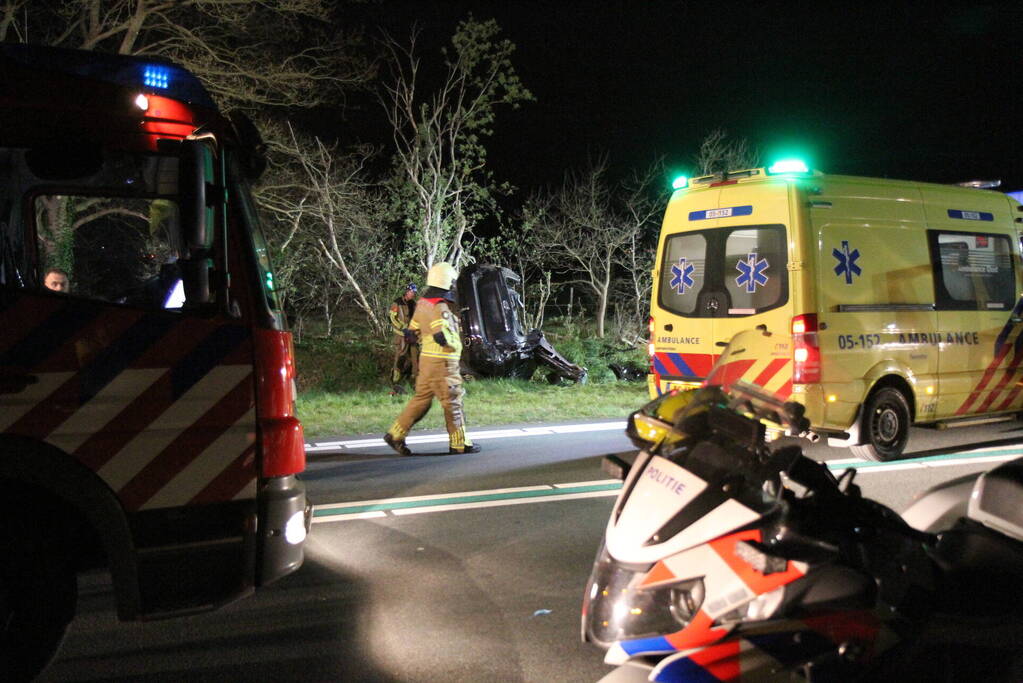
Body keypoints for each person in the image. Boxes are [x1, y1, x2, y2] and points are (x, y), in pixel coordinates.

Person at [384, 262, 480, 455]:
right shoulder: (440, 306)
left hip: (427, 361)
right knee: (452, 400)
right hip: (443, 362)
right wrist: (454, 344)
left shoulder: (422, 303)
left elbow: (411, 333)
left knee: (421, 400)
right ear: (447, 282)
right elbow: (441, 335)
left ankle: (395, 434)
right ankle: (459, 443)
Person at [388, 282, 419, 393]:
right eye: (412, 292)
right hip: (401, 335)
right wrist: (402, 327)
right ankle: (394, 383)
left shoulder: (414, 304)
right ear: (407, 291)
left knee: (415, 358)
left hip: (412, 335)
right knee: (400, 358)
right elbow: (391, 318)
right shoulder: (397, 303)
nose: (413, 294)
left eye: (414, 293)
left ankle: (415, 383)